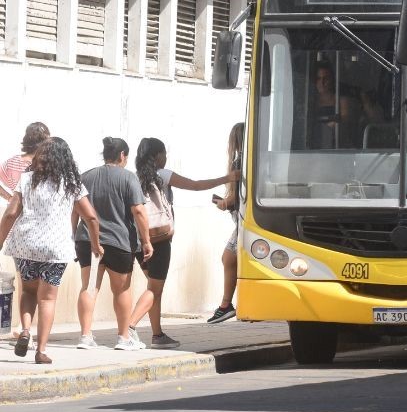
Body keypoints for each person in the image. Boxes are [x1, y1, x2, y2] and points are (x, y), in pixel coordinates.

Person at [126, 137, 239, 348]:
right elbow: (195, 186)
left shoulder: (132, 178)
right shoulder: (163, 175)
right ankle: (128, 330)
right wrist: (227, 178)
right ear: (157, 155)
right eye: (164, 153)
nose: (166, 157)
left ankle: (157, 335)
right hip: (159, 240)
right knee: (154, 289)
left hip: (139, 241)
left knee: (153, 287)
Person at [0, 138, 100, 364]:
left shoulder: (26, 180)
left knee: (27, 291)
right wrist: (96, 243)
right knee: (47, 299)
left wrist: (0, 240)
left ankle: (25, 331)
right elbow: (91, 217)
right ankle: (41, 350)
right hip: (55, 248)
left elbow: (10, 213)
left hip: (26, 245)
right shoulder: (71, 183)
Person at [76, 137, 153, 351]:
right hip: (119, 241)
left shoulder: (87, 176)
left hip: (88, 240)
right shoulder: (129, 178)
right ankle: (123, 337)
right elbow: (138, 211)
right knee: (121, 290)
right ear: (122, 156)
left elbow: (75, 208)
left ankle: (85, 336)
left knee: (89, 286)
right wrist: (146, 241)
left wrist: (73, 234)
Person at [1, 122, 50, 339]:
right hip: (43, 229)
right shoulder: (46, 165)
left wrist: (11, 198)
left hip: (16, 230)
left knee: (25, 281)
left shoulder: (12, 162)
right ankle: (29, 328)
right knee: (43, 286)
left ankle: (24, 327)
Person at [208, 123, 243, 324]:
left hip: (243, 221)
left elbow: (236, 197)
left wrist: (223, 203)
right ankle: (225, 304)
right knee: (229, 258)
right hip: (241, 220)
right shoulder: (249, 160)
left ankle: (225, 305)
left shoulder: (239, 162)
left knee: (228, 258)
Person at [311, 61, 360, 149]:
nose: (322, 82)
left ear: (332, 80)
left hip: (338, 144)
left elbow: (345, 119)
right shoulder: (310, 100)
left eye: (326, 78)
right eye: (319, 78)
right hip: (314, 145)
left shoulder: (341, 99)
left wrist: (332, 125)